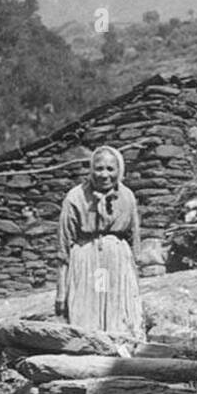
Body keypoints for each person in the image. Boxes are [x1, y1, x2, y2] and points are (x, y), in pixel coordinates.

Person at [54, 145, 144, 340]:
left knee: (118, 313)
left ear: (119, 170)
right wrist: (61, 292)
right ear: (91, 169)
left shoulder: (127, 197)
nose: (105, 175)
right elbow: (63, 248)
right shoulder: (75, 197)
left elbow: (134, 236)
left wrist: (134, 280)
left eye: (110, 169)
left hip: (117, 263)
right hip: (87, 263)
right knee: (89, 311)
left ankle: (121, 357)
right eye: (99, 168)